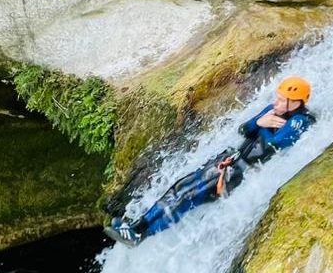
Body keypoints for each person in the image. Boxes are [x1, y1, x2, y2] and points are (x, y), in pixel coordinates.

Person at [107, 76, 315, 246]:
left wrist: (265, 127)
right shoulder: (272, 110)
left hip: (239, 173)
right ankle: (136, 226)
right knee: (178, 188)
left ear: (295, 103)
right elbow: (245, 129)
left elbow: (274, 147)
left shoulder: (300, 121)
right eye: (277, 98)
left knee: (188, 197)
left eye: (281, 100)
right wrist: (260, 122)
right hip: (228, 160)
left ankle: (142, 235)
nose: (276, 102)